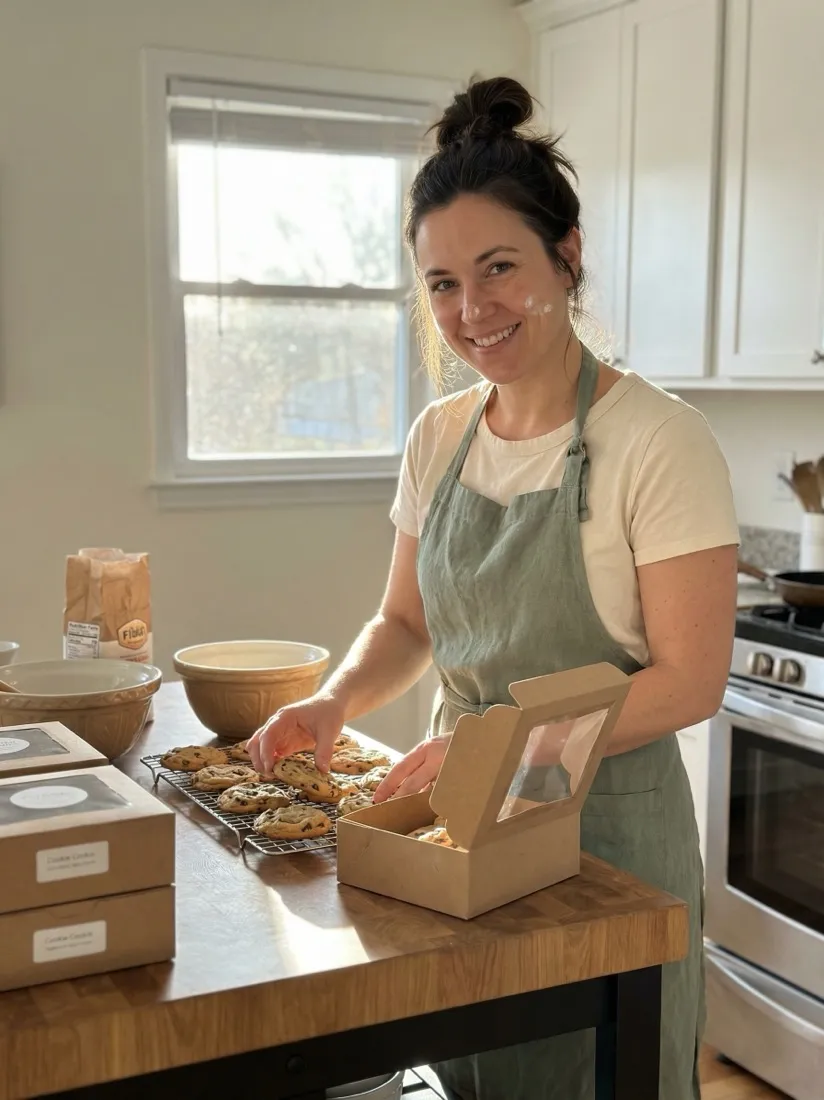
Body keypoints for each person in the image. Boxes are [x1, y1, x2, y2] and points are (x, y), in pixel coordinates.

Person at [248, 76, 739, 1100]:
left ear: (563, 259)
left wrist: (493, 741)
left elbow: (689, 680)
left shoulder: (656, 440)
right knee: (473, 1069)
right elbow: (402, 620)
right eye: (439, 282)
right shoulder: (438, 436)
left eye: (498, 267)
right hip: (454, 822)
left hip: (606, 834)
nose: (470, 310)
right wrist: (337, 697)